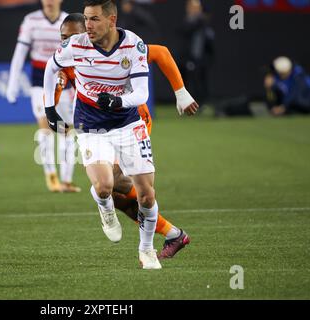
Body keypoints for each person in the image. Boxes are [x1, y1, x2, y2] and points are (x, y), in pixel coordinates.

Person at [44, 0, 198, 269]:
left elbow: (160, 53)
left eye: (70, 35)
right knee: (111, 187)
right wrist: (50, 111)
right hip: (94, 125)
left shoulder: (129, 45)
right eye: (62, 37)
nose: (65, 41)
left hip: (132, 119)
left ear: (108, 21)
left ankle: (163, 237)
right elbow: (53, 73)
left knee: (131, 189)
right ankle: (170, 233)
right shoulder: (72, 53)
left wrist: (181, 92)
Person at [6, 0, 81, 193]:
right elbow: (20, 53)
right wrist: (12, 84)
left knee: (66, 130)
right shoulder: (31, 20)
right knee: (45, 125)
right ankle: (51, 177)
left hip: (65, 81)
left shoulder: (69, 21)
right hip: (40, 82)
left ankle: (66, 180)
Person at [179, 0, 214, 109]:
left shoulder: (202, 21)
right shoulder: (187, 21)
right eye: (192, 7)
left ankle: (202, 104)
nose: (194, 10)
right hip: (188, 57)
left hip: (201, 58)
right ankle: (189, 104)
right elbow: (185, 32)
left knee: (200, 81)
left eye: (196, 8)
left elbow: (208, 41)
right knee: (187, 82)